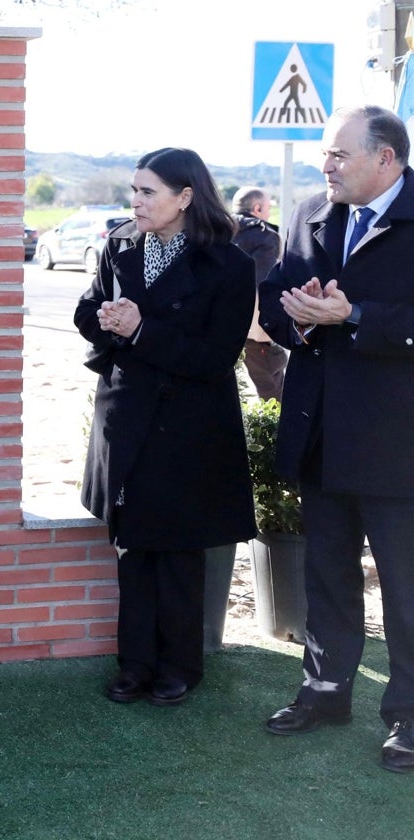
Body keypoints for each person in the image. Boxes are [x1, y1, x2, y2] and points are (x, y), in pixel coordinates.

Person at [257, 105, 414, 773]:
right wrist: (300, 315)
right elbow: (273, 298)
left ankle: (408, 717)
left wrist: (355, 317)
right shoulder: (310, 215)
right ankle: (324, 691)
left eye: (339, 154)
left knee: (407, 587)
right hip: (319, 429)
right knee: (324, 574)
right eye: (325, 154)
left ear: (387, 159)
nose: (327, 165)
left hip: (399, 441)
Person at [74, 147, 256, 708]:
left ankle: (180, 667)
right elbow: (86, 311)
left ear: (185, 197)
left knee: (178, 551)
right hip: (127, 417)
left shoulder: (229, 264)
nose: (137, 201)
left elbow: (215, 357)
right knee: (132, 548)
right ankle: (134, 666)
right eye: (134, 190)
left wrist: (140, 330)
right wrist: (106, 321)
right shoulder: (119, 243)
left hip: (189, 429)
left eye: (148, 191)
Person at [231, 187, 287, 401]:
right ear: (257, 208)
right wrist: (264, 333)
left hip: (217, 326)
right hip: (254, 333)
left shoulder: (218, 229)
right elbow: (262, 287)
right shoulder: (264, 236)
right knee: (274, 396)